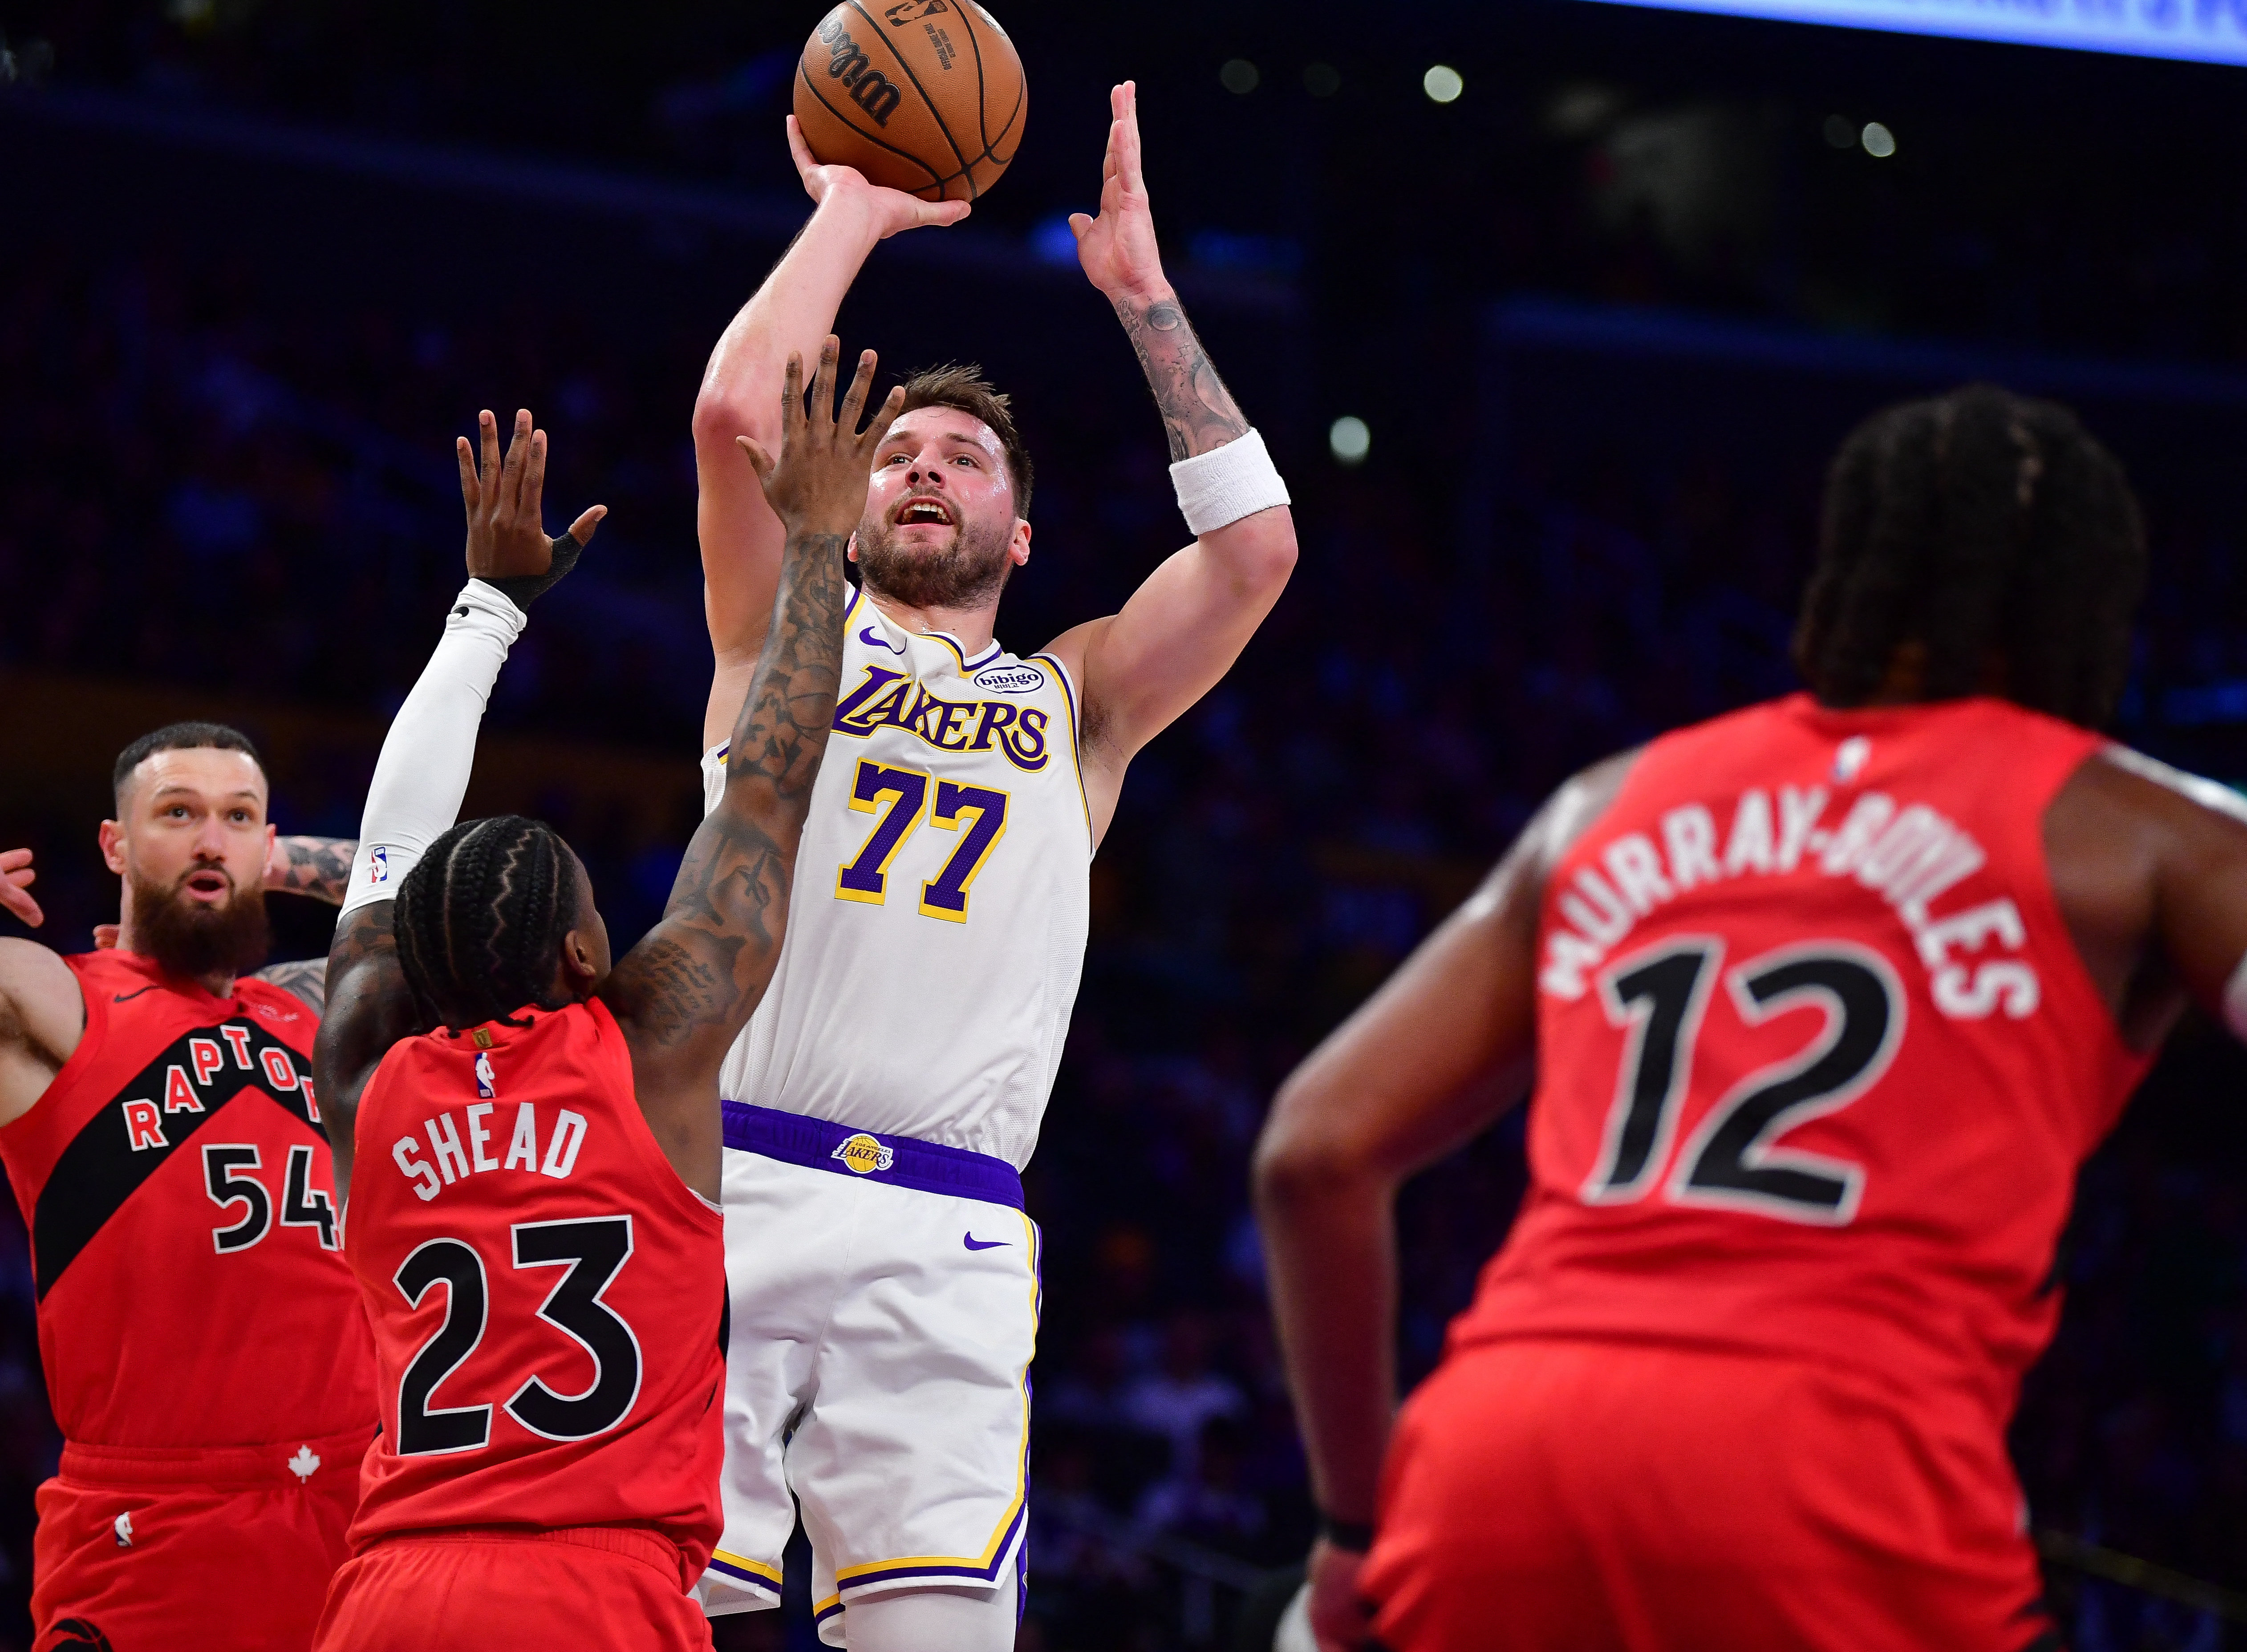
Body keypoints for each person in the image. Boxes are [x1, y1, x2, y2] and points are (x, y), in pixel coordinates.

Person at [1253, 383, 2247, 1652]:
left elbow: (1314, 1151)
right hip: (1838, 1469)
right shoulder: (2148, 828)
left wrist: (1351, 1529)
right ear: (2088, 605)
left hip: (1501, 1452)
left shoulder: (1604, 802)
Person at [688, 84, 1299, 1650]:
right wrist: (850, 210)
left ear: (1019, 532)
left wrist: (1147, 301)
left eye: (961, 457)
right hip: (732, 1179)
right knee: (645, 1615)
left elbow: (1252, 556)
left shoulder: (1074, 696)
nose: (920, 469)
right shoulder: (779, 634)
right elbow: (733, 420)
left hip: (953, 1228)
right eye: (896, 450)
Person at [308, 358, 887, 1650]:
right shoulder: (651, 1049)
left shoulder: (363, 1081)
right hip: (594, 1591)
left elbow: (384, 851)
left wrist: (485, 611)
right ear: (584, 955)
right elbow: (769, 785)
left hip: (393, 1590)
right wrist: (812, 543)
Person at [0, 713, 366, 1650]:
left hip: (355, 1512)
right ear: (115, 845)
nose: (210, 836)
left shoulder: (311, 1000)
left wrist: (258, 853)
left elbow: (456, 892)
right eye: (178, 812)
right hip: (155, 1527)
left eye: (239, 815)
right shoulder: (52, 998)